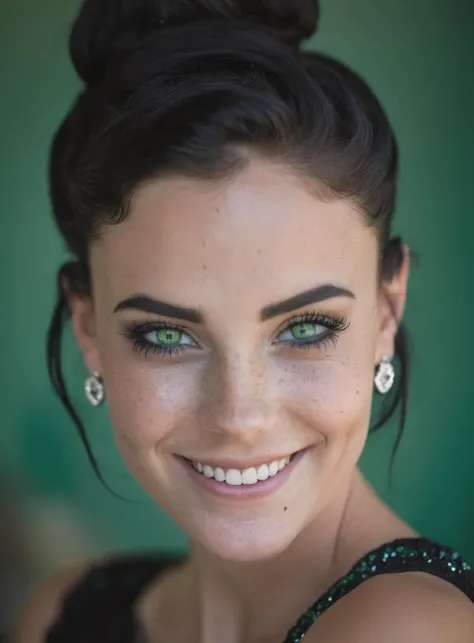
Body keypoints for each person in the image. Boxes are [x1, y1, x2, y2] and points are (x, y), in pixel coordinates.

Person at [13, 1, 474, 641]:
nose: (239, 416)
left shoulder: (409, 629)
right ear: (87, 330)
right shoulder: (62, 617)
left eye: (306, 327)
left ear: (387, 311)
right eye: (167, 336)